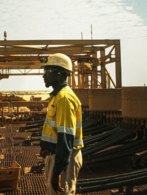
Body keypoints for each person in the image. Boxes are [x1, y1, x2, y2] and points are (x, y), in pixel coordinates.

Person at [40, 53, 83, 194]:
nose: (43, 75)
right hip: (57, 157)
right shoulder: (57, 96)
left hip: (64, 161)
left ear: (59, 73)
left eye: (47, 72)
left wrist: (57, 171)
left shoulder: (64, 98)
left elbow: (66, 139)